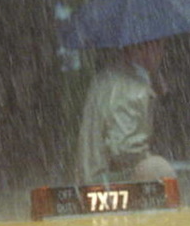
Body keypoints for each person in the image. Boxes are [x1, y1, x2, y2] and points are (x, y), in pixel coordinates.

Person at [74, 39, 174, 183]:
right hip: (108, 182)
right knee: (159, 168)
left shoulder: (107, 77)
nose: (162, 54)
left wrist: (154, 78)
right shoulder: (133, 87)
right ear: (147, 47)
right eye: (160, 46)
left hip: (90, 177)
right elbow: (124, 150)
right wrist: (148, 158)